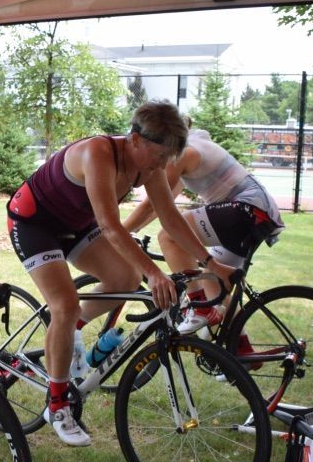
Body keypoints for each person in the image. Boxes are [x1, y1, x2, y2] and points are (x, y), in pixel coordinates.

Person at [6, 101, 235, 447]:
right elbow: (111, 227)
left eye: (167, 159)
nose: (162, 166)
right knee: (65, 305)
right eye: (159, 157)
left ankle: (69, 334)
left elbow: (170, 217)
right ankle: (57, 405)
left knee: (125, 280)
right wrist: (154, 272)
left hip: (75, 225)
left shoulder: (151, 164)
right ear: (135, 140)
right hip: (35, 223)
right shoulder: (98, 153)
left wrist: (209, 262)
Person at [121, 125, 285, 335]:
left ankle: (198, 308)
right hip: (260, 212)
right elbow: (164, 203)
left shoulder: (181, 154)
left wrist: (120, 233)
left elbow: (153, 205)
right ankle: (242, 351)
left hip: (247, 208)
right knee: (213, 281)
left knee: (169, 237)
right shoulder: (192, 147)